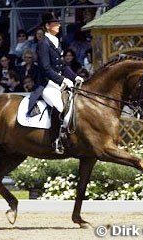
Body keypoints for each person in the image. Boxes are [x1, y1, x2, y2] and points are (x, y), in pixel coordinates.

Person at [36, 12, 84, 154]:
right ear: (47, 26)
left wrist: (75, 77)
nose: (58, 25)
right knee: (60, 106)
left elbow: (63, 66)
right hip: (47, 84)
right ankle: (56, 140)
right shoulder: (43, 43)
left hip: (57, 82)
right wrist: (62, 80)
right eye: (55, 23)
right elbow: (45, 68)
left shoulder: (57, 42)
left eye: (58, 23)